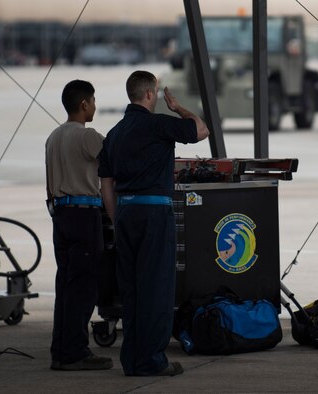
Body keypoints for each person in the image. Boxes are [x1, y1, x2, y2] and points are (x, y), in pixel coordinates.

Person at [98, 70, 209, 376]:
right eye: (157, 93)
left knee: (131, 291)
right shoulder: (158, 125)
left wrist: (116, 217)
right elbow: (201, 130)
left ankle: (132, 360)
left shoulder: (114, 134)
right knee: (156, 288)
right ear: (149, 94)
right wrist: (178, 109)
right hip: (153, 214)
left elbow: (106, 184)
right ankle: (152, 361)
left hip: (125, 214)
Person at [45, 80, 113, 371]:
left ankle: (60, 351)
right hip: (84, 215)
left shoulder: (53, 136)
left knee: (66, 285)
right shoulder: (88, 137)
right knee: (84, 287)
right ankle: (75, 352)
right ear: (84, 104)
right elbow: (114, 165)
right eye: (94, 101)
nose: (95, 106)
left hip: (60, 216)